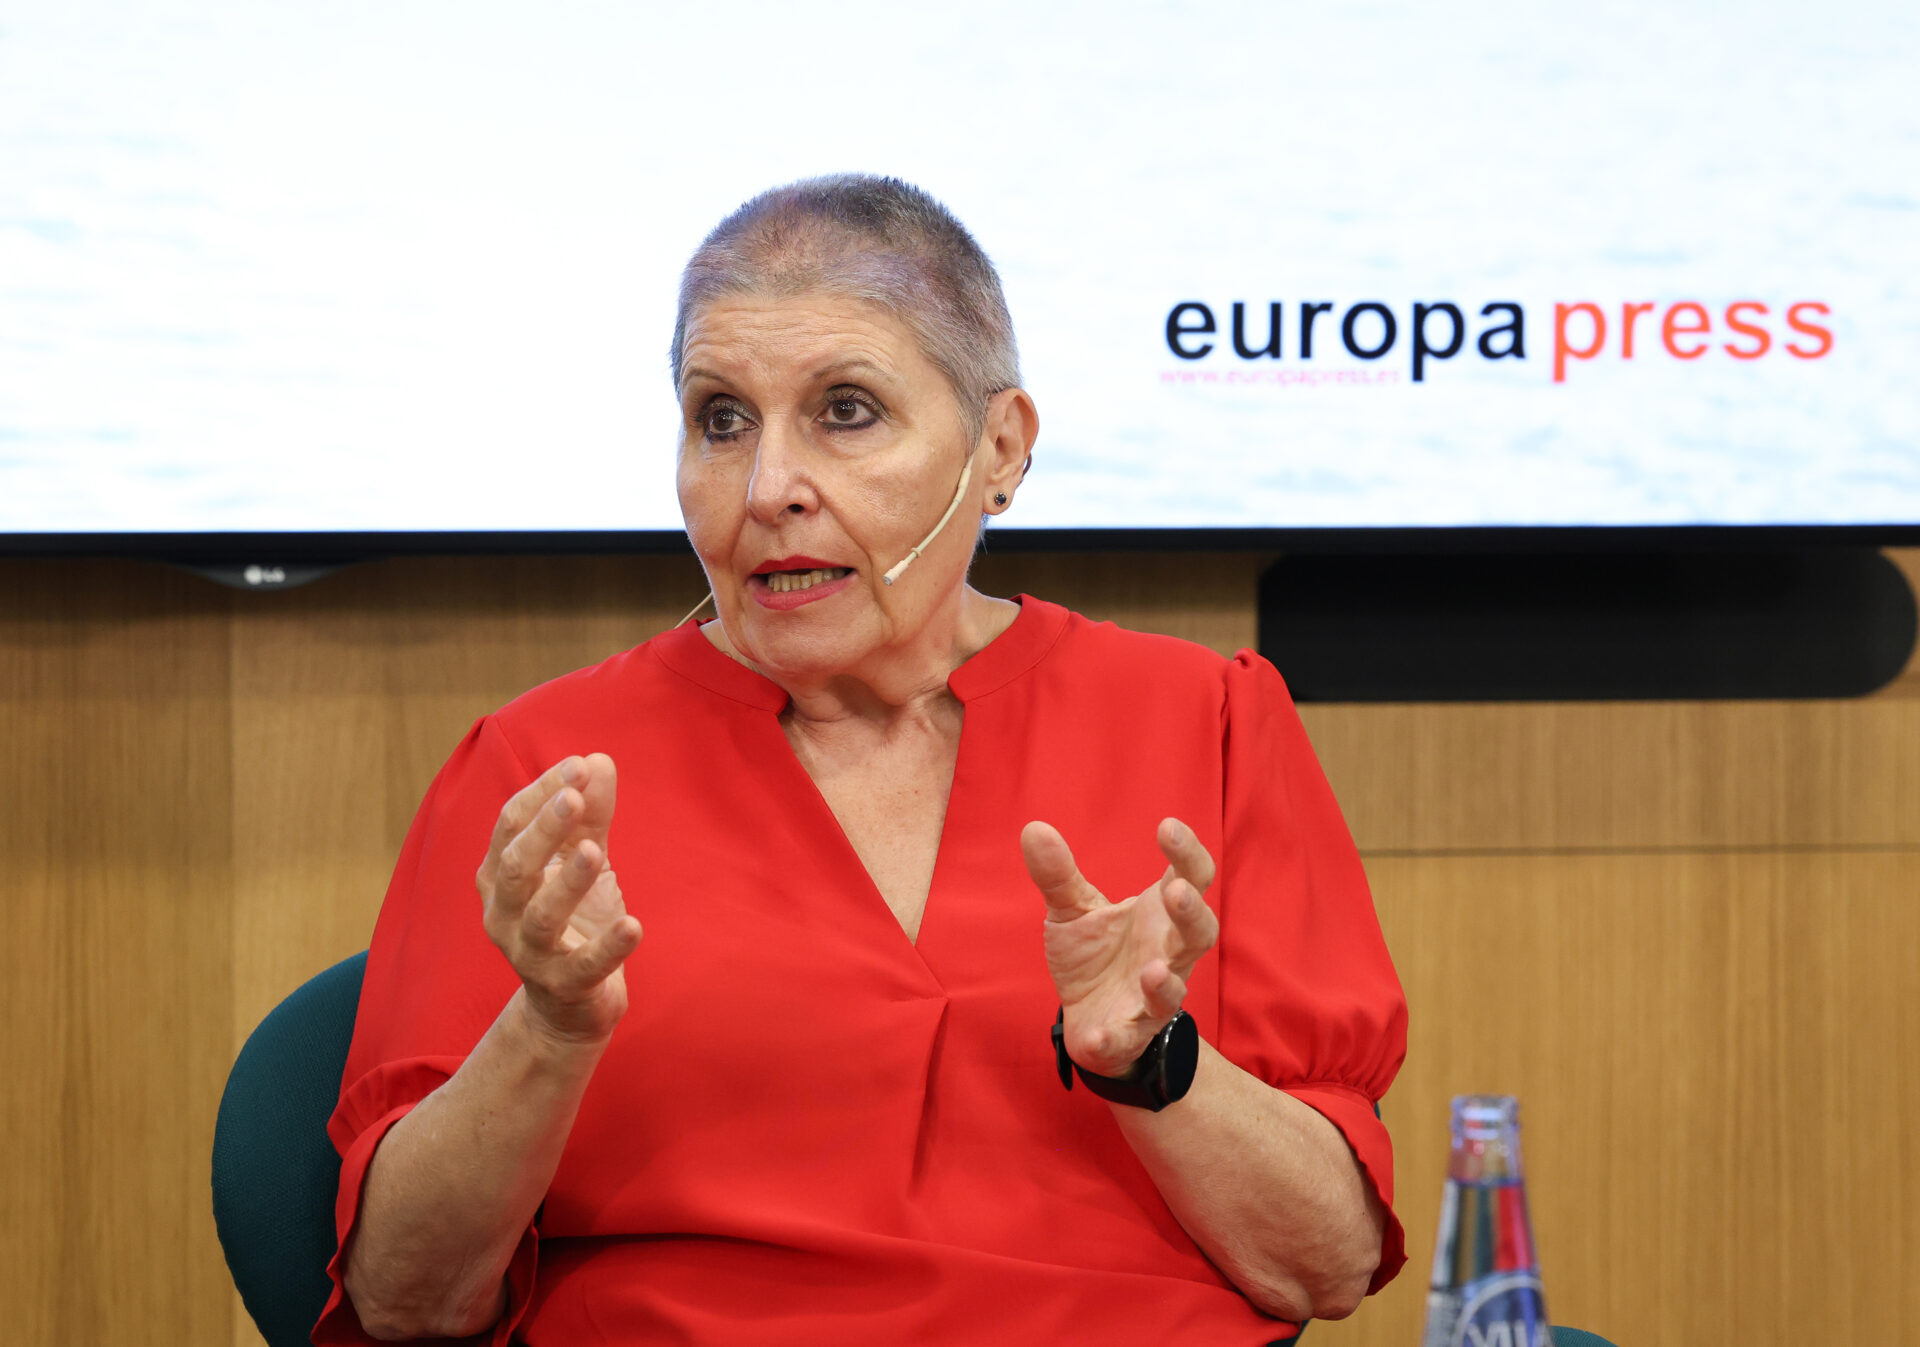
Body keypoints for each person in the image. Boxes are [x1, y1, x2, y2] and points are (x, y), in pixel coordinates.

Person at [316, 174, 1408, 1346]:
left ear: (999, 447)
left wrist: (1151, 1062)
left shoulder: (1209, 721)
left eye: (846, 411)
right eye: (720, 419)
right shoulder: (544, 775)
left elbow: (1325, 1264)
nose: (767, 489)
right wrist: (549, 1029)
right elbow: (405, 1301)